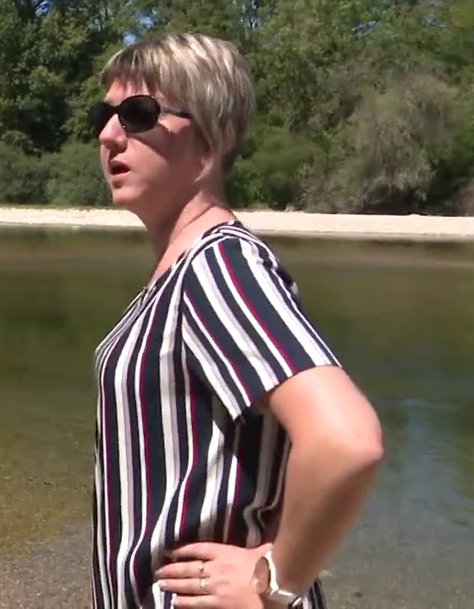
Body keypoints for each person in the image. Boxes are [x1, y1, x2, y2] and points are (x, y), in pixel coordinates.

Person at [87, 33, 384, 609]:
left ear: (211, 139)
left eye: (138, 114)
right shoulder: (179, 273)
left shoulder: (217, 264)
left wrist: (276, 580)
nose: (107, 133)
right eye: (105, 114)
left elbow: (346, 439)